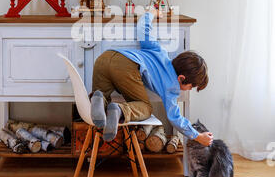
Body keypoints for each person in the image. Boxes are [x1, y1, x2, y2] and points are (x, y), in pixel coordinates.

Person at [90, 9, 213, 146]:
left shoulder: (160, 51)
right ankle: (120, 110)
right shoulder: (171, 89)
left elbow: (143, 28)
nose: (189, 90)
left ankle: (99, 97)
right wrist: (197, 136)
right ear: (181, 78)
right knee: (146, 108)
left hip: (104, 58)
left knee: (103, 99)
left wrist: (152, 13)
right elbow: (175, 118)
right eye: (191, 86)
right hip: (127, 67)